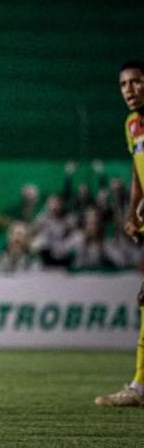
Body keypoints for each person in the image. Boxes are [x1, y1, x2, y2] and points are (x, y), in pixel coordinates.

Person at [95, 60, 144, 406]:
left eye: (137, 82)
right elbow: (137, 169)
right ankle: (139, 386)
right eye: (124, 84)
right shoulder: (133, 124)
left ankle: (139, 387)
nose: (129, 89)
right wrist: (132, 212)